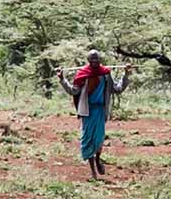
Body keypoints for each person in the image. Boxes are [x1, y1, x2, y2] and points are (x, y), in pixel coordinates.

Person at [56, 49, 132, 180]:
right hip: (87, 111)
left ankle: (97, 159)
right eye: (92, 59)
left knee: (99, 139)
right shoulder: (83, 74)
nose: (95, 61)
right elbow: (73, 91)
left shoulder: (105, 74)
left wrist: (126, 74)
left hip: (100, 111)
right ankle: (93, 172)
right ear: (88, 61)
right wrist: (62, 79)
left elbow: (117, 89)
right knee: (87, 140)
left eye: (97, 58)